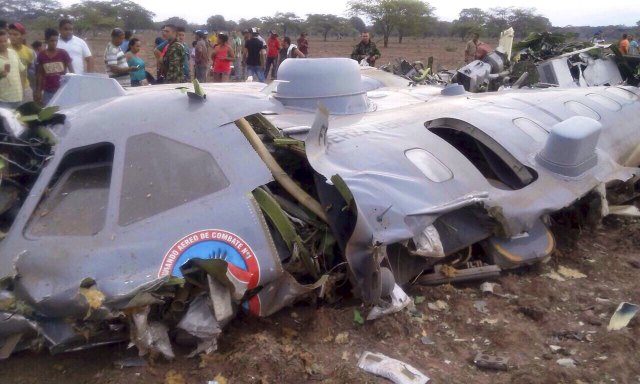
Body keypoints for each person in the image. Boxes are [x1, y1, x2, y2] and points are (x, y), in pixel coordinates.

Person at [35, 28, 73, 106]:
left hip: (61, 91)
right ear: (46, 40)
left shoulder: (63, 53)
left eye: (56, 41)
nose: (54, 43)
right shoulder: (41, 55)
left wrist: (72, 86)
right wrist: (38, 90)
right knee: (48, 114)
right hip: (47, 91)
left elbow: (72, 71)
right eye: (51, 41)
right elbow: (39, 74)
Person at [8, 23, 36, 102]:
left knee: (28, 112)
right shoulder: (4, 49)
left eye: (15, 34)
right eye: (10, 34)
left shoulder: (29, 52)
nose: (12, 37)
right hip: (8, 89)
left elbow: (31, 71)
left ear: (22, 36)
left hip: (25, 87)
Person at [0, 29, 26, 109]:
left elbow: (22, 70)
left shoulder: (13, 53)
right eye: (0, 42)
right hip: (3, 100)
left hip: (18, 98)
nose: (3, 44)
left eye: (5, 41)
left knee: (18, 121)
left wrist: (23, 87)